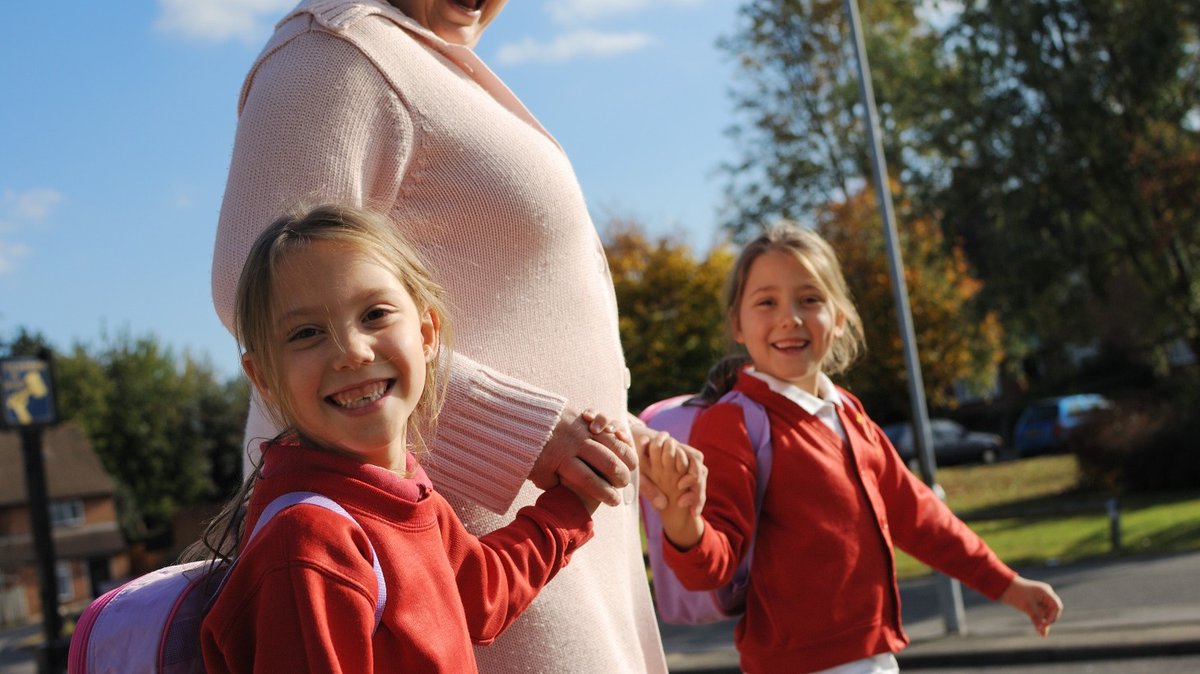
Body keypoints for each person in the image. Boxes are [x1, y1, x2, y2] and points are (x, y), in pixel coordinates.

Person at [210, 1, 680, 670]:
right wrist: (524, 434)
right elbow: (253, 287)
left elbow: (512, 311)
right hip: (420, 548)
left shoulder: (412, 56)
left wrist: (618, 436)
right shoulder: (329, 56)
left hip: (501, 538)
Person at [640, 224, 1064, 674]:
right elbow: (711, 568)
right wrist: (682, 522)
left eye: (810, 299)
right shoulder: (733, 422)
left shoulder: (849, 412)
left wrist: (1007, 584)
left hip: (875, 657)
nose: (790, 317)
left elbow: (920, 517)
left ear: (839, 318)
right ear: (737, 324)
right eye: (767, 301)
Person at [197, 204, 605, 672]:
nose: (352, 351)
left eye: (374, 314)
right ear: (263, 376)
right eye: (306, 333)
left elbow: (478, 595)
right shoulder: (307, 545)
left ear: (427, 332)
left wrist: (573, 503)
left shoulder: (400, 487)